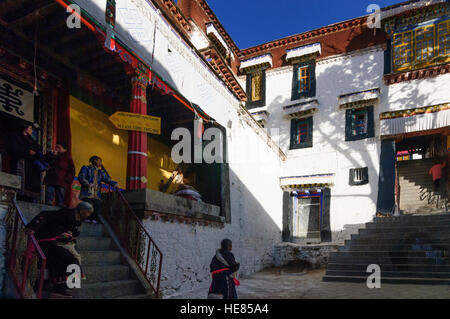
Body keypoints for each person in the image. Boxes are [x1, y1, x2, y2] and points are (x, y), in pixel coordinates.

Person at [25, 201, 94, 298]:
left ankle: (60, 287)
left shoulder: (77, 220)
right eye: (88, 212)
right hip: (47, 239)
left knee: (71, 259)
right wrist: (33, 226)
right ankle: (59, 287)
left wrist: (73, 234)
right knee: (70, 259)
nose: (89, 215)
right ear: (82, 210)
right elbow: (45, 214)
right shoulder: (66, 213)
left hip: (58, 242)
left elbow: (68, 228)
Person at [6, 122, 47, 201]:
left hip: (31, 166)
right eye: (30, 128)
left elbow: (38, 148)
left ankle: (29, 198)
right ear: (25, 128)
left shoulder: (31, 139)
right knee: (21, 186)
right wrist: (27, 151)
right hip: (21, 163)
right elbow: (13, 149)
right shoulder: (16, 137)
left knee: (31, 187)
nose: (31, 130)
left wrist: (35, 152)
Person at [78, 156, 118, 223]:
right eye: (99, 161)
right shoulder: (86, 168)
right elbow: (81, 177)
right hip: (88, 191)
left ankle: (93, 219)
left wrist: (114, 183)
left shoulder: (100, 172)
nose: (100, 163)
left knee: (97, 205)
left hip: (96, 193)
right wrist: (88, 184)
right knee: (87, 205)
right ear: (94, 161)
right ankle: (85, 219)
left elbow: (106, 179)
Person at [43, 142, 75, 207]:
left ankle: (60, 204)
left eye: (59, 148)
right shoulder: (53, 154)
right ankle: (48, 203)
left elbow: (72, 170)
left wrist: (68, 179)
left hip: (61, 178)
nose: (57, 149)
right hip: (51, 177)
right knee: (49, 191)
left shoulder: (68, 158)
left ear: (64, 150)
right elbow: (45, 159)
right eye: (56, 147)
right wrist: (51, 154)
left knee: (60, 193)